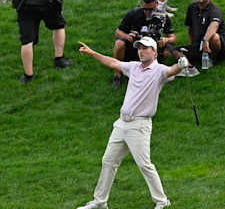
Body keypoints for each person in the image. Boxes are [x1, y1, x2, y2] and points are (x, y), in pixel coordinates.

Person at [75, 39, 188, 209]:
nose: (141, 51)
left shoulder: (159, 71)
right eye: (139, 48)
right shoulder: (133, 67)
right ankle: (100, 202)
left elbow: (172, 71)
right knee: (108, 161)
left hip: (139, 126)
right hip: (121, 124)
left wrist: (180, 65)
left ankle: (162, 201)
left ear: (154, 52)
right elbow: (113, 62)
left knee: (144, 164)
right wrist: (92, 53)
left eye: (145, 49)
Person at [111, 0, 176, 88]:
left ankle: (153, 70)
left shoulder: (163, 17)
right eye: (145, 9)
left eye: (151, 9)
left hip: (153, 48)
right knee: (119, 44)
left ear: (156, 4)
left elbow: (173, 38)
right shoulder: (133, 13)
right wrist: (127, 37)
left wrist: (165, 40)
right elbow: (118, 32)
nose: (147, 12)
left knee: (168, 51)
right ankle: (117, 75)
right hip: (134, 46)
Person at [183, 0, 225, 71]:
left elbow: (214, 26)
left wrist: (205, 40)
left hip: (218, 46)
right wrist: (191, 43)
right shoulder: (192, 7)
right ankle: (188, 68)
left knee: (214, 37)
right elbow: (189, 27)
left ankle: (212, 58)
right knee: (175, 51)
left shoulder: (214, 10)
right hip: (199, 44)